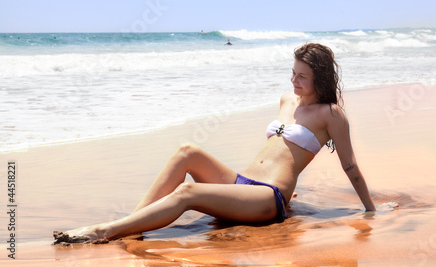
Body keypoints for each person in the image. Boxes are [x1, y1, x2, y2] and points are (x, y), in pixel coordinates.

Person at [53, 43, 376, 245]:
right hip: (242, 183)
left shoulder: (331, 114)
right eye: (293, 73)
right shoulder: (286, 100)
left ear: (319, 77)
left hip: (267, 198)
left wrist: (371, 209)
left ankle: (104, 231)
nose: (294, 81)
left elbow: (350, 165)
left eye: (302, 76)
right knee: (187, 152)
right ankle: (132, 225)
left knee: (187, 193)